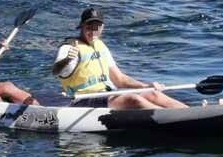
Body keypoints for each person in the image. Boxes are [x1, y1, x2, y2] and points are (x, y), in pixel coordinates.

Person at [52, 7, 187, 110]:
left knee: (151, 93)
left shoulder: (100, 46)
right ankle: (173, 119)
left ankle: (190, 112)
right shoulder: (69, 47)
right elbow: (56, 71)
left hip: (107, 95)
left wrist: (146, 86)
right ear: (81, 27)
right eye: (89, 27)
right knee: (134, 100)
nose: (93, 32)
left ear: (102, 27)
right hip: (82, 100)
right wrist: (67, 60)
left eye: (96, 27)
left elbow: (120, 79)